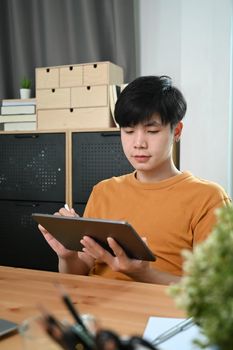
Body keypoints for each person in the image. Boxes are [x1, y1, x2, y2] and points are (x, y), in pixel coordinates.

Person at [39, 75, 231, 285]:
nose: (138, 143)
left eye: (152, 131)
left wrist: (143, 274)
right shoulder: (104, 190)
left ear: (176, 131)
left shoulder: (208, 198)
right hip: (95, 308)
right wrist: (68, 257)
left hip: (161, 312)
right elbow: (80, 273)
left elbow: (214, 291)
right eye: (129, 131)